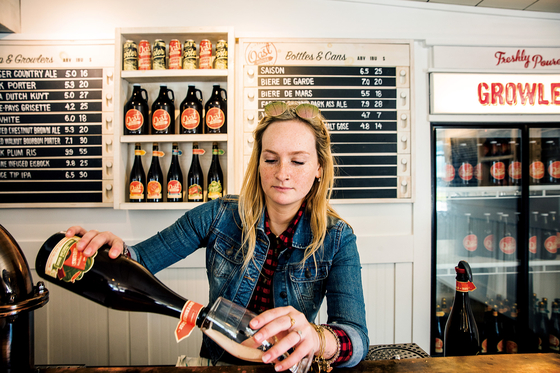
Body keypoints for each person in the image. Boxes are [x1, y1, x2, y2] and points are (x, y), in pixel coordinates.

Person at [66, 101, 369, 371]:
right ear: (258, 163)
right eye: (271, 159)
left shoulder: (338, 239)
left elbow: (355, 337)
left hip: (286, 367)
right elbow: (140, 261)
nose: (282, 173)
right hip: (218, 365)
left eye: (298, 161)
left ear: (319, 167)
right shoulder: (217, 216)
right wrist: (109, 252)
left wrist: (317, 339)